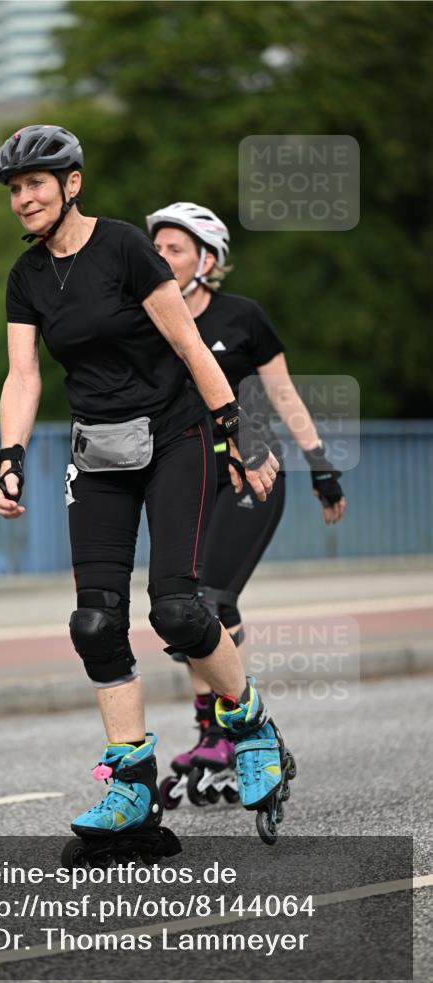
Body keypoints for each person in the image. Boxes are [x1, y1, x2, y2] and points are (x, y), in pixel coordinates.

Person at [0, 125, 292, 856]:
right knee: (94, 622)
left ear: (72, 184)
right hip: (99, 452)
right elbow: (24, 376)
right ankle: (131, 785)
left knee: (179, 611)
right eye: (14, 188)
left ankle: (251, 725)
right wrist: (9, 456)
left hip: (175, 438)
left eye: (36, 183)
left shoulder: (124, 247)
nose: (23, 198)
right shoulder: (26, 276)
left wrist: (234, 431)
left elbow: (188, 344)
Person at [146, 202, 345, 814]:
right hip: (187, 475)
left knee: (214, 599)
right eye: (157, 249)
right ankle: (213, 731)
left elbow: (283, 395)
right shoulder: (147, 317)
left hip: (251, 472)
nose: (162, 258)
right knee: (182, 610)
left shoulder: (243, 317)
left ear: (207, 260)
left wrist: (320, 465)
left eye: (176, 249)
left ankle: (233, 729)